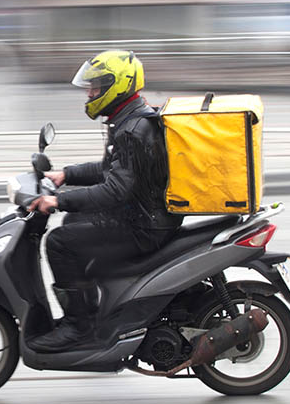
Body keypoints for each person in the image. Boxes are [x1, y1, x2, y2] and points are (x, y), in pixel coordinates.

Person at [26, 50, 182, 353]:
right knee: (74, 224)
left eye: (95, 86)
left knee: (60, 242)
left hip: (143, 225)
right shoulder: (130, 119)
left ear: (117, 86)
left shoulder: (133, 128)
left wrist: (57, 201)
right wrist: (65, 175)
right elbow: (112, 170)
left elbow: (114, 190)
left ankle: (79, 328)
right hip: (145, 216)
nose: (89, 92)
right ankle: (97, 312)